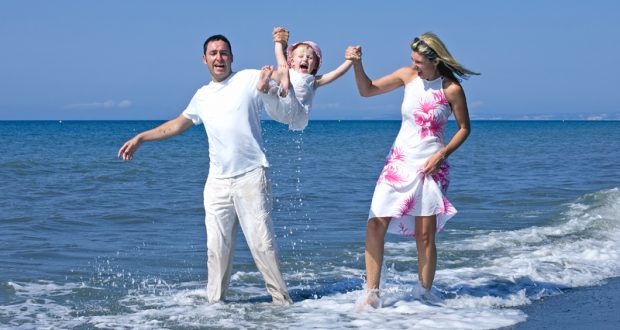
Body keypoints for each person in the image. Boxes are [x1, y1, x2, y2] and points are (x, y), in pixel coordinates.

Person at [117, 34, 295, 305]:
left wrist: (284, 60)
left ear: (232, 57)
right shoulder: (202, 96)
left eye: (224, 53)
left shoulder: (248, 79)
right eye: (213, 53)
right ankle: (215, 308)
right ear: (204, 59)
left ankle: (282, 305)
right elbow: (176, 125)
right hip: (217, 184)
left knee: (262, 245)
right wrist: (142, 137)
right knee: (216, 249)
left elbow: (281, 101)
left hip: (250, 175)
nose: (219, 58)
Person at [347, 33, 479, 308]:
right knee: (375, 222)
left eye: (419, 62)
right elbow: (367, 90)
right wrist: (357, 64)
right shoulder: (407, 76)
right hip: (398, 162)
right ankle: (371, 294)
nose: (414, 65)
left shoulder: (451, 89)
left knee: (425, 234)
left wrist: (442, 154)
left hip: (430, 166)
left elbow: (464, 128)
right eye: (413, 60)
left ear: (435, 60)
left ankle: (424, 296)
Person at [256, 27, 353, 131]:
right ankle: (265, 87)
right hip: (277, 108)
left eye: (310, 58)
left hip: (293, 111)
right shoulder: (288, 73)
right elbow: (280, 67)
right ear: (292, 62)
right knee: (272, 90)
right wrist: (268, 73)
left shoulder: (314, 80)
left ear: (315, 65)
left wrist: (350, 59)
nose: (305, 59)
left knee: (283, 77)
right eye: (301, 56)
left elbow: (337, 73)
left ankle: (278, 45)